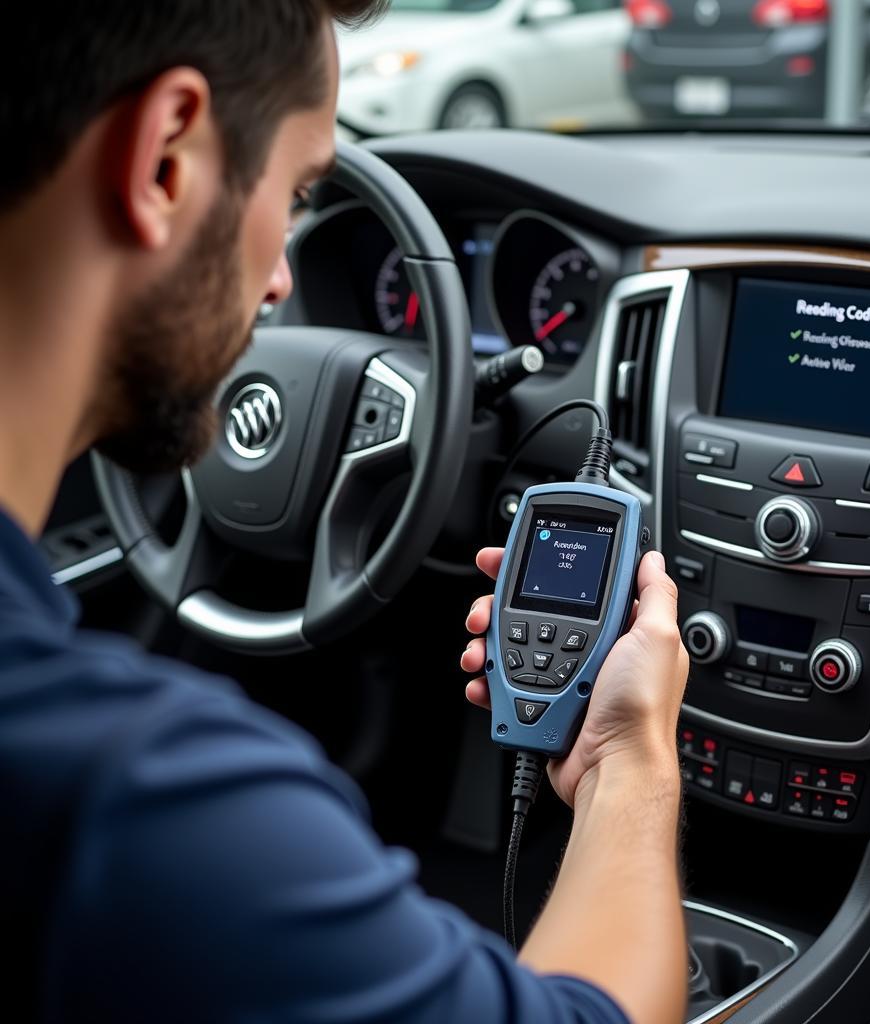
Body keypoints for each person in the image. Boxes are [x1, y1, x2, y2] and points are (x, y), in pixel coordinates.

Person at [0, 2, 690, 1021]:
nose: (282, 278)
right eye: (297, 191)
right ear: (164, 160)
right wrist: (630, 766)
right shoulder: (146, 809)